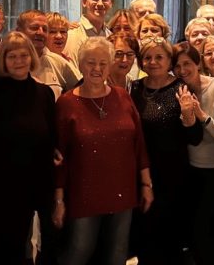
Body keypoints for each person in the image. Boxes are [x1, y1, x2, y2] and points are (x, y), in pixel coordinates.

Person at [53, 37, 152, 264]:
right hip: (83, 192)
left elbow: (139, 144)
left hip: (123, 189)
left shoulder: (123, 97)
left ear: (110, 66)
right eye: (90, 62)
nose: (97, 69)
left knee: (117, 253)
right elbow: (59, 158)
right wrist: (58, 201)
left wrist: (146, 184)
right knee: (79, 250)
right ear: (80, 64)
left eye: (103, 63)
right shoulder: (66, 103)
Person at [0, 31, 58, 264]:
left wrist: (55, 150)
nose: (19, 61)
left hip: (32, 184)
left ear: (32, 57)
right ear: (3, 60)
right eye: (12, 56)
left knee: (21, 249)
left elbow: (50, 133)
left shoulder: (43, 93)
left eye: (24, 55)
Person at [130, 37, 203, 264]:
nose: (153, 62)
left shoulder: (181, 89)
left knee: (171, 242)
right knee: (145, 240)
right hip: (143, 173)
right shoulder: (135, 88)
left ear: (169, 60)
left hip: (174, 176)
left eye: (159, 57)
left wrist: (189, 116)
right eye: (147, 57)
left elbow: (196, 138)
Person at [171, 42, 214, 265]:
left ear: (198, 63)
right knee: (192, 234)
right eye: (177, 66)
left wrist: (202, 117)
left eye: (187, 64)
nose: (182, 70)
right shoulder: (177, 91)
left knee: (207, 232)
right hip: (190, 171)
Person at [15, 10, 80, 100]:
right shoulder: (5, 60)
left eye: (45, 29)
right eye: (34, 28)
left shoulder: (59, 62)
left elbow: (84, 89)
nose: (40, 32)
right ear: (19, 31)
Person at [64, 0, 113, 67]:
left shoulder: (110, 36)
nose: (100, 3)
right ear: (84, 2)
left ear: (111, 3)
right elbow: (72, 72)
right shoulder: (73, 35)